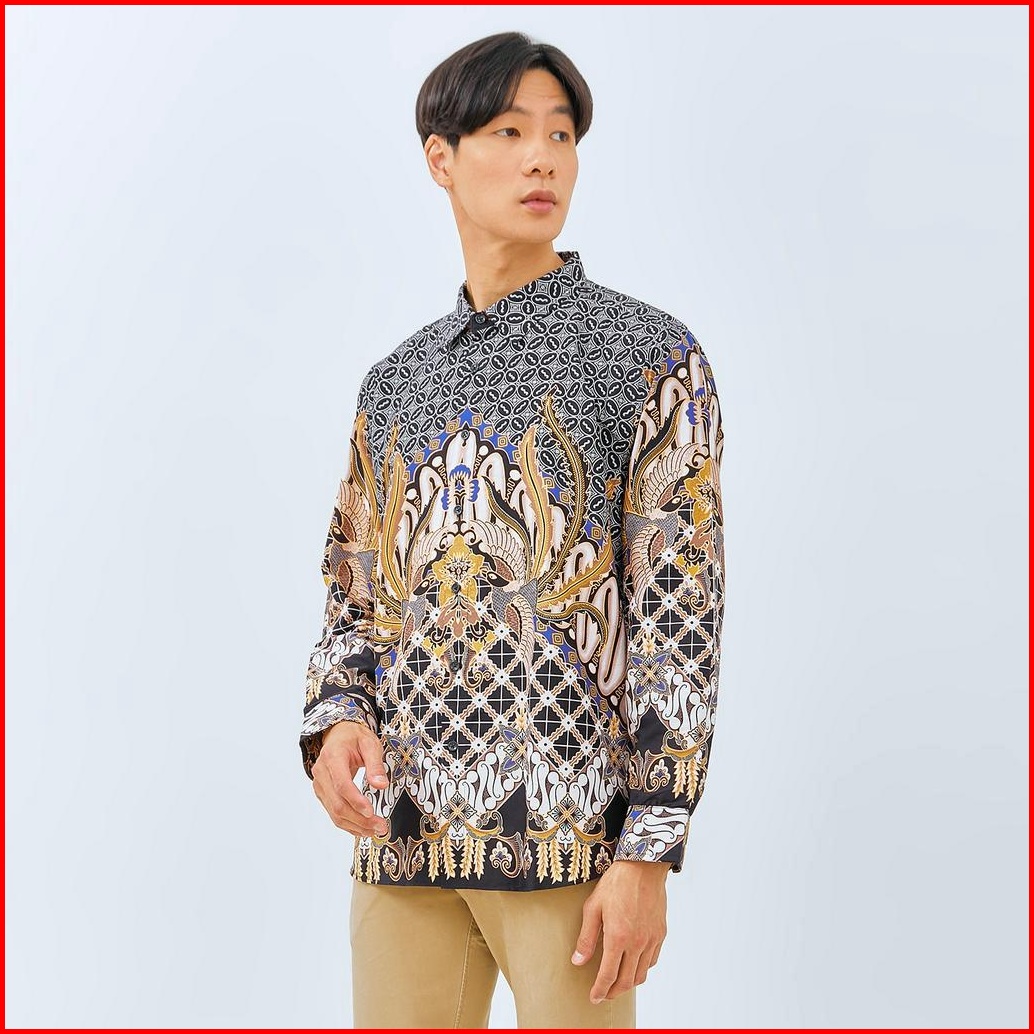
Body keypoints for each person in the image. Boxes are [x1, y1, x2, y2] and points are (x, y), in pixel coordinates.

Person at [298, 30, 726, 1030]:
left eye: (561, 135)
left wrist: (648, 848)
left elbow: (681, 619)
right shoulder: (395, 381)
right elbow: (353, 590)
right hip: (403, 843)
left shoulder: (647, 355)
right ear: (440, 158)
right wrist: (334, 719)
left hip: (570, 842)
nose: (543, 158)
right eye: (509, 131)